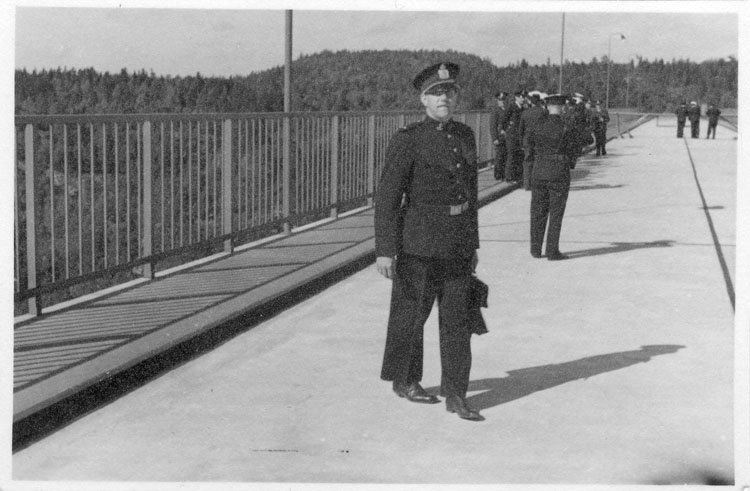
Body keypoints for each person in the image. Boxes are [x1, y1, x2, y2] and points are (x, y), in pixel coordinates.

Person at [375, 62, 483, 422]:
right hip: (418, 243)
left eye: (449, 92)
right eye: (436, 93)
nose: (444, 99)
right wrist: (385, 250)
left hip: (457, 243)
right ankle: (405, 379)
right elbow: (388, 198)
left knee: (458, 321)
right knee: (411, 315)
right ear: (423, 100)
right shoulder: (408, 139)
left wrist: (473, 243)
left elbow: (470, 194)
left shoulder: (465, 135)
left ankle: (456, 394)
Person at [524, 94, 584, 260]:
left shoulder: (537, 125)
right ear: (563, 108)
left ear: (547, 107)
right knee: (556, 212)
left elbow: (527, 145)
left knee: (537, 211)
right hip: (558, 171)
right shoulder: (566, 126)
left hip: (538, 170)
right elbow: (583, 142)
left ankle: (535, 249)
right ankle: (552, 251)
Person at [519, 93, 547, 190]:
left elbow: (521, 129)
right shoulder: (543, 112)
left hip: (527, 139)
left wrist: (521, 142)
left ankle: (527, 184)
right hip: (539, 139)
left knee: (527, 161)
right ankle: (538, 183)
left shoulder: (525, 113)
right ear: (539, 102)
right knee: (539, 161)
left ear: (531, 102)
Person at [500, 90, 525, 182]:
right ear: (516, 97)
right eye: (521, 97)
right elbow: (504, 119)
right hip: (512, 135)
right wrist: (505, 129)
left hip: (519, 135)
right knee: (511, 155)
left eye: (523, 97)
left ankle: (517, 176)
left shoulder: (522, 108)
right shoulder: (511, 106)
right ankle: (509, 177)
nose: (523, 99)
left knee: (518, 156)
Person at [489, 91, 508, 180]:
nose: (502, 102)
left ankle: (503, 174)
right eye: (500, 100)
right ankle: (498, 175)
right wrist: (494, 138)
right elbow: (493, 125)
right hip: (499, 137)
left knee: (505, 155)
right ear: (497, 100)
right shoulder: (495, 111)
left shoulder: (506, 110)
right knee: (499, 156)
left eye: (503, 100)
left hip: (506, 136)